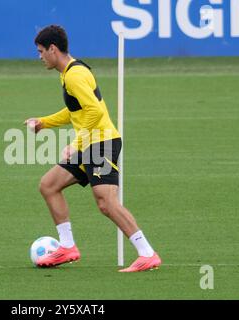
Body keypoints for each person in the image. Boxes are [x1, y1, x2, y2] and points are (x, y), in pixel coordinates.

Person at [24, 25, 161, 272]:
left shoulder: (74, 75)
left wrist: (73, 144)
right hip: (90, 142)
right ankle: (67, 246)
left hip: (102, 143)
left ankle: (147, 253)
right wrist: (45, 122)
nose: (40, 57)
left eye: (41, 51)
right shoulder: (69, 72)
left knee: (106, 203)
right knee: (49, 185)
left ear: (53, 49)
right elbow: (76, 111)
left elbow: (95, 111)